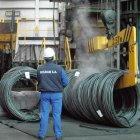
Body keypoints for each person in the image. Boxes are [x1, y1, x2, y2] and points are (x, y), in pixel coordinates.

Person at [37, 47, 68, 140]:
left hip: (45, 94)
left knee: (44, 114)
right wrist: (59, 87)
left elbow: (39, 81)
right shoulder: (59, 69)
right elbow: (65, 82)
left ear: (44, 58)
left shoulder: (40, 69)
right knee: (56, 115)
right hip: (57, 94)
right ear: (53, 57)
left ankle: (41, 135)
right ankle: (58, 135)